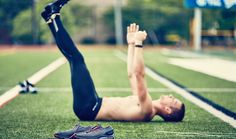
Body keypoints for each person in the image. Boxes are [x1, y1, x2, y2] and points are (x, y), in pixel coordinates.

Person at [41, 0, 185, 123]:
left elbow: (139, 74)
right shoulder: (144, 102)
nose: (171, 96)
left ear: (167, 110)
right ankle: (51, 18)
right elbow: (131, 74)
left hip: (89, 107)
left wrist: (139, 43)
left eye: (173, 101)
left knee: (76, 59)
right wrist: (131, 44)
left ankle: (54, 16)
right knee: (75, 59)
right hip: (93, 103)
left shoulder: (147, 110)